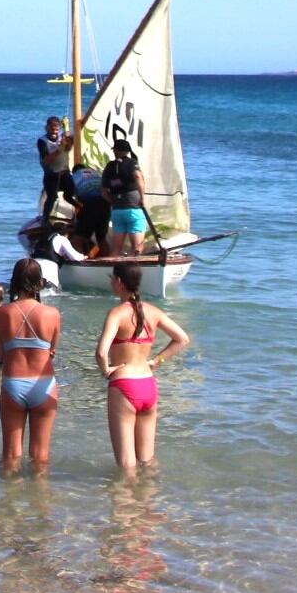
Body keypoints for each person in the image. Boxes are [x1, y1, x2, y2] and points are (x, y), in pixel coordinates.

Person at [97, 264, 191, 474]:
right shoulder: (154, 312)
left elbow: (102, 352)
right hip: (147, 385)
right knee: (147, 461)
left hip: (124, 385)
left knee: (126, 465)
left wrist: (106, 371)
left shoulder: (116, 314)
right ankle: (149, 503)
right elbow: (182, 339)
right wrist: (157, 361)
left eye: (112, 277)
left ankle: (126, 505)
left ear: (119, 282)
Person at [0, 257, 62, 473]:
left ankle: (10, 502)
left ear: (15, 281)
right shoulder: (52, 314)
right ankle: (40, 502)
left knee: (11, 456)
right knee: (40, 456)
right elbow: (52, 351)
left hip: (13, 384)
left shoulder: (1, 313)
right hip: (44, 384)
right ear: (39, 282)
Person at [102, 137, 150, 258]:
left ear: (115, 151)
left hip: (117, 211)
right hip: (133, 209)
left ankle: (111, 272)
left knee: (116, 248)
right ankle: (134, 274)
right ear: (128, 151)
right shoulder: (132, 163)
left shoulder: (109, 166)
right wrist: (142, 198)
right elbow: (138, 177)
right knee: (137, 248)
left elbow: (103, 191)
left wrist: (113, 202)